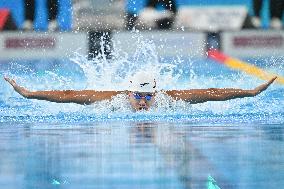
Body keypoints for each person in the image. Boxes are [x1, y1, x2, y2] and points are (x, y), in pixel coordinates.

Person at [3, 74, 277, 111]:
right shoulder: (114, 98)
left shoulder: (170, 99)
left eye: (148, 96)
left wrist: (251, 92)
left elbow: (212, 92)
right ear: (130, 93)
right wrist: (29, 94)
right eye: (139, 96)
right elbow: (68, 93)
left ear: (156, 94)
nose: (143, 102)